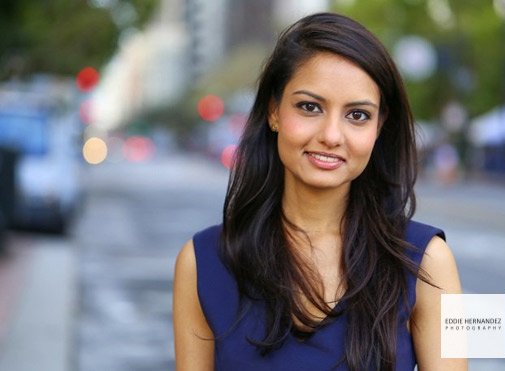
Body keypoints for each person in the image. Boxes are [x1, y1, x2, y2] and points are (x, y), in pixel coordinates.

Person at [173, 12, 466, 371]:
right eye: (310, 107)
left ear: (379, 126)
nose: (331, 135)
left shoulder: (434, 259)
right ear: (274, 111)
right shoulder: (200, 262)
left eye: (357, 115)